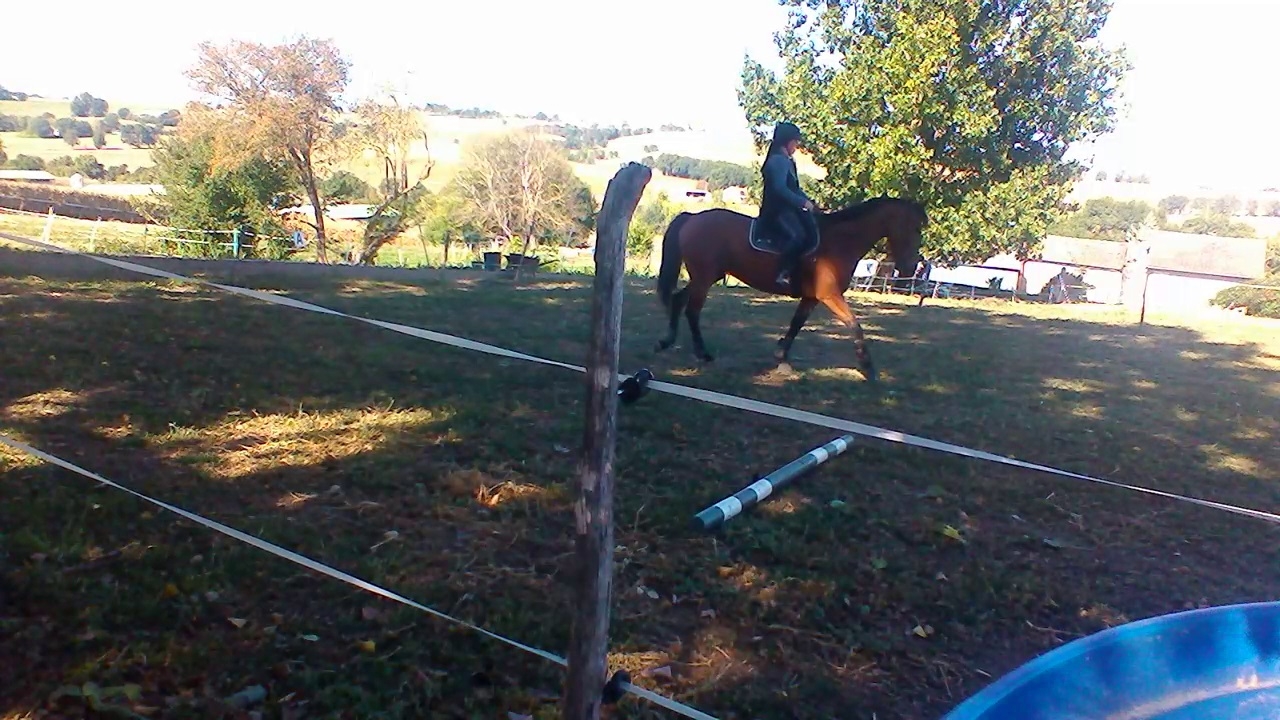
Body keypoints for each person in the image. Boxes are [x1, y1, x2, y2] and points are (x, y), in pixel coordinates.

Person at [758, 121, 820, 287]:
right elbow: (779, 189)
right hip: (776, 211)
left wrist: (810, 202)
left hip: (788, 210)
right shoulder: (778, 161)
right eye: (795, 141)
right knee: (797, 237)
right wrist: (802, 202)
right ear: (786, 141)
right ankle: (782, 272)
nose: (796, 146)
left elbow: (795, 188)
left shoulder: (788, 161)